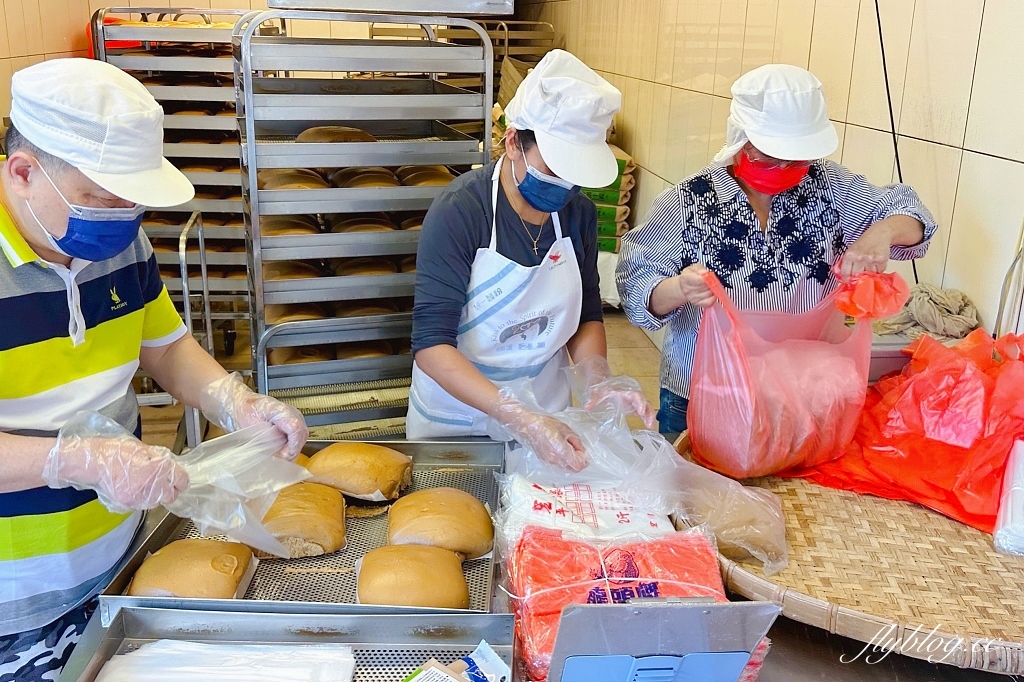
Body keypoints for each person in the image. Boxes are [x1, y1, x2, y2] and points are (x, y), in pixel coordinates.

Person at [0, 59, 307, 678]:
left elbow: (163, 347)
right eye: (100, 200)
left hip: (118, 560)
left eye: (131, 204)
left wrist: (234, 401)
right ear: (24, 172)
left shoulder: (118, 239)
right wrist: (74, 460)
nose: (120, 219)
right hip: (14, 605)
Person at [616, 64, 937, 435]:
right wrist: (678, 289)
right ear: (741, 138)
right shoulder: (688, 201)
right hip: (706, 393)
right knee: (697, 491)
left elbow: (914, 219)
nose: (784, 166)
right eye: (770, 155)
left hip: (804, 395)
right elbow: (635, 282)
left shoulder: (829, 189)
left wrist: (881, 232)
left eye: (797, 158)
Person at [408, 50, 655, 469]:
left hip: (549, 418)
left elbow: (587, 313)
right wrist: (517, 416)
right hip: (457, 423)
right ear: (513, 142)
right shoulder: (461, 210)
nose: (563, 186)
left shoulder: (579, 214)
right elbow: (431, 345)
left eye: (573, 174)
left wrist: (598, 379)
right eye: (553, 167)